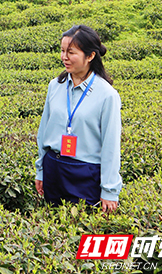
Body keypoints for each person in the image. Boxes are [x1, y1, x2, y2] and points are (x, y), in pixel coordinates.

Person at [35, 25, 122, 213]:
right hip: (54, 167)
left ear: (90, 56)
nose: (64, 57)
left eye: (71, 52)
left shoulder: (107, 95)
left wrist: (109, 190)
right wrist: (41, 170)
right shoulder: (55, 86)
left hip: (85, 173)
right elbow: (44, 132)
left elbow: (111, 146)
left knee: (81, 230)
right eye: (62, 51)